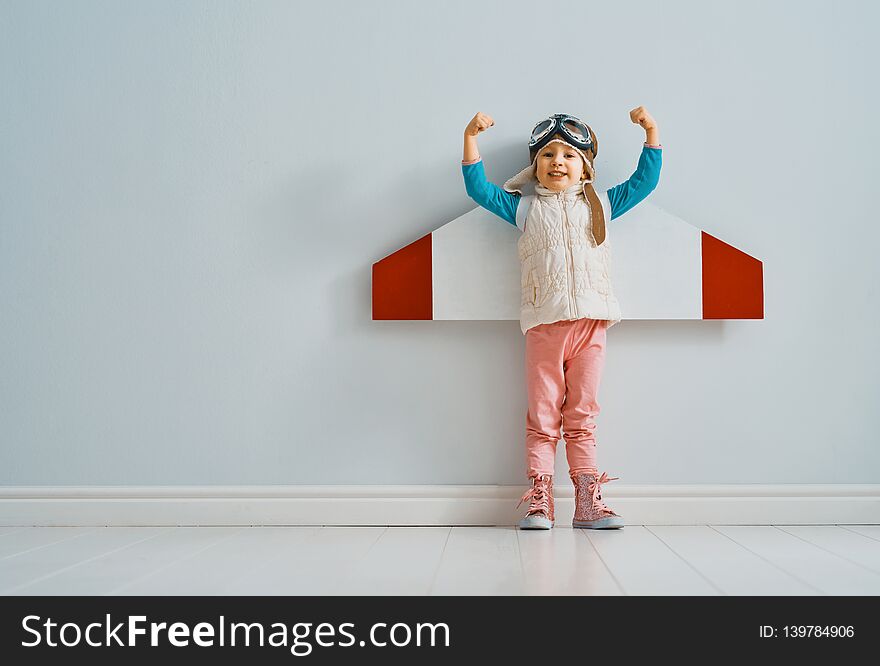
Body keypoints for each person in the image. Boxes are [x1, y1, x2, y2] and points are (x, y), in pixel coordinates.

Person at [461, 109, 662, 529]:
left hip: (591, 324)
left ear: (585, 167)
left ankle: (588, 502)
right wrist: (470, 138)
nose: (557, 162)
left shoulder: (602, 204)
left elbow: (645, 183)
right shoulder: (524, 209)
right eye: (548, 154)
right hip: (545, 325)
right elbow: (479, 189)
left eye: (569, 155)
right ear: (534, 166)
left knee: (582, 414)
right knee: (542, 414)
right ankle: (540, 501)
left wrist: (651, 133)